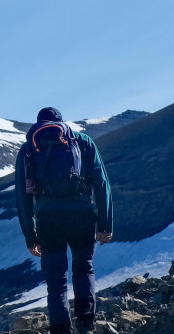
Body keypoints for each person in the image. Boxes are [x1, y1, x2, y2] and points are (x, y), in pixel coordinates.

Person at [15, 107, 113, 334]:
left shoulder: (29, 148)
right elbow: (102, 184)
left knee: (56, 281)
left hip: (48, 219)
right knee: (84, 268)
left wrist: (31, 237)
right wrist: (105, 225)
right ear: (62, 122)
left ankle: (60, 330)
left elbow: (22, 196)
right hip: (81, 214)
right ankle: (85, 325)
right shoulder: (82, 141)